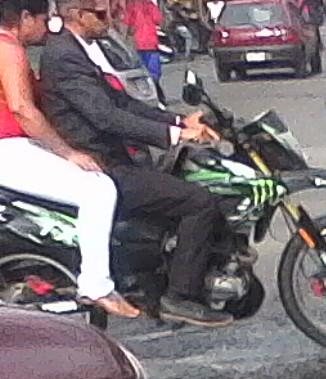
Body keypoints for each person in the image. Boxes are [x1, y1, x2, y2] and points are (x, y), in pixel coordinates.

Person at [39, 0, 226, 323]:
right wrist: (173, 136)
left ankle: (159, 279)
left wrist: (179, 121)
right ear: (76, 15)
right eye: (100, 14)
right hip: (101, 163)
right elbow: (106, 117)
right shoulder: (64, 55)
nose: (108, 19)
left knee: (176, 181)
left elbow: (123, 103)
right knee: (198, 201)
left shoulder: (83, 49)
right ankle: (179, 296)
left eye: (109, 11)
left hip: (114, 156)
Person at [0, 0, 139, 316]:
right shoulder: (9, 50)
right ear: (24, 18)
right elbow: (23, 109)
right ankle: (97, 285)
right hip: (9, 149)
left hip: (13, 148)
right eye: (42, 18)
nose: (47, 25)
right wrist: (68, 152)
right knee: (98, 189)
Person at [123, 0, 161, 80]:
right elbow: (158, 19)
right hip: (151, 41)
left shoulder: (132, 6)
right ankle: (154, 83)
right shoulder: (151, 5)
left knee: (140, 68)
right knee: (153, 70)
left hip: (138, 42)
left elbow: (128, 23)